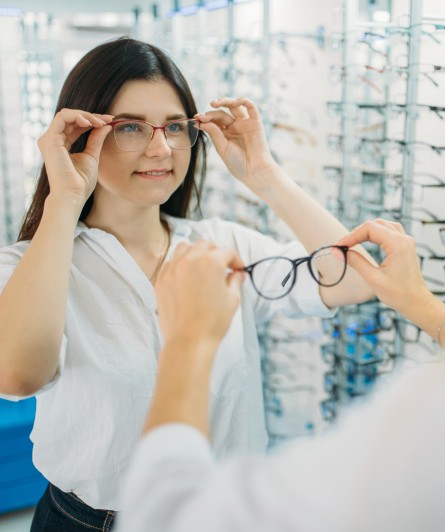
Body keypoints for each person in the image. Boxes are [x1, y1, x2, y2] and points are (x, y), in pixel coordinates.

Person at [0, 37, 373, 530]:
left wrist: (263, 174)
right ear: (82, 136)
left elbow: (355, 280)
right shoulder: (35, 264)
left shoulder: (222, 247)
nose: (160, 148)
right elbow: (16, 376)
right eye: (130, 127)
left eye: (175, 127)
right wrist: (65, 199)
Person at [114, 218, 445, 532]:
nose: (159, 153)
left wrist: (188, 340)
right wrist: (422, 303)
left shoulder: (424, 425)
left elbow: (164, 521)